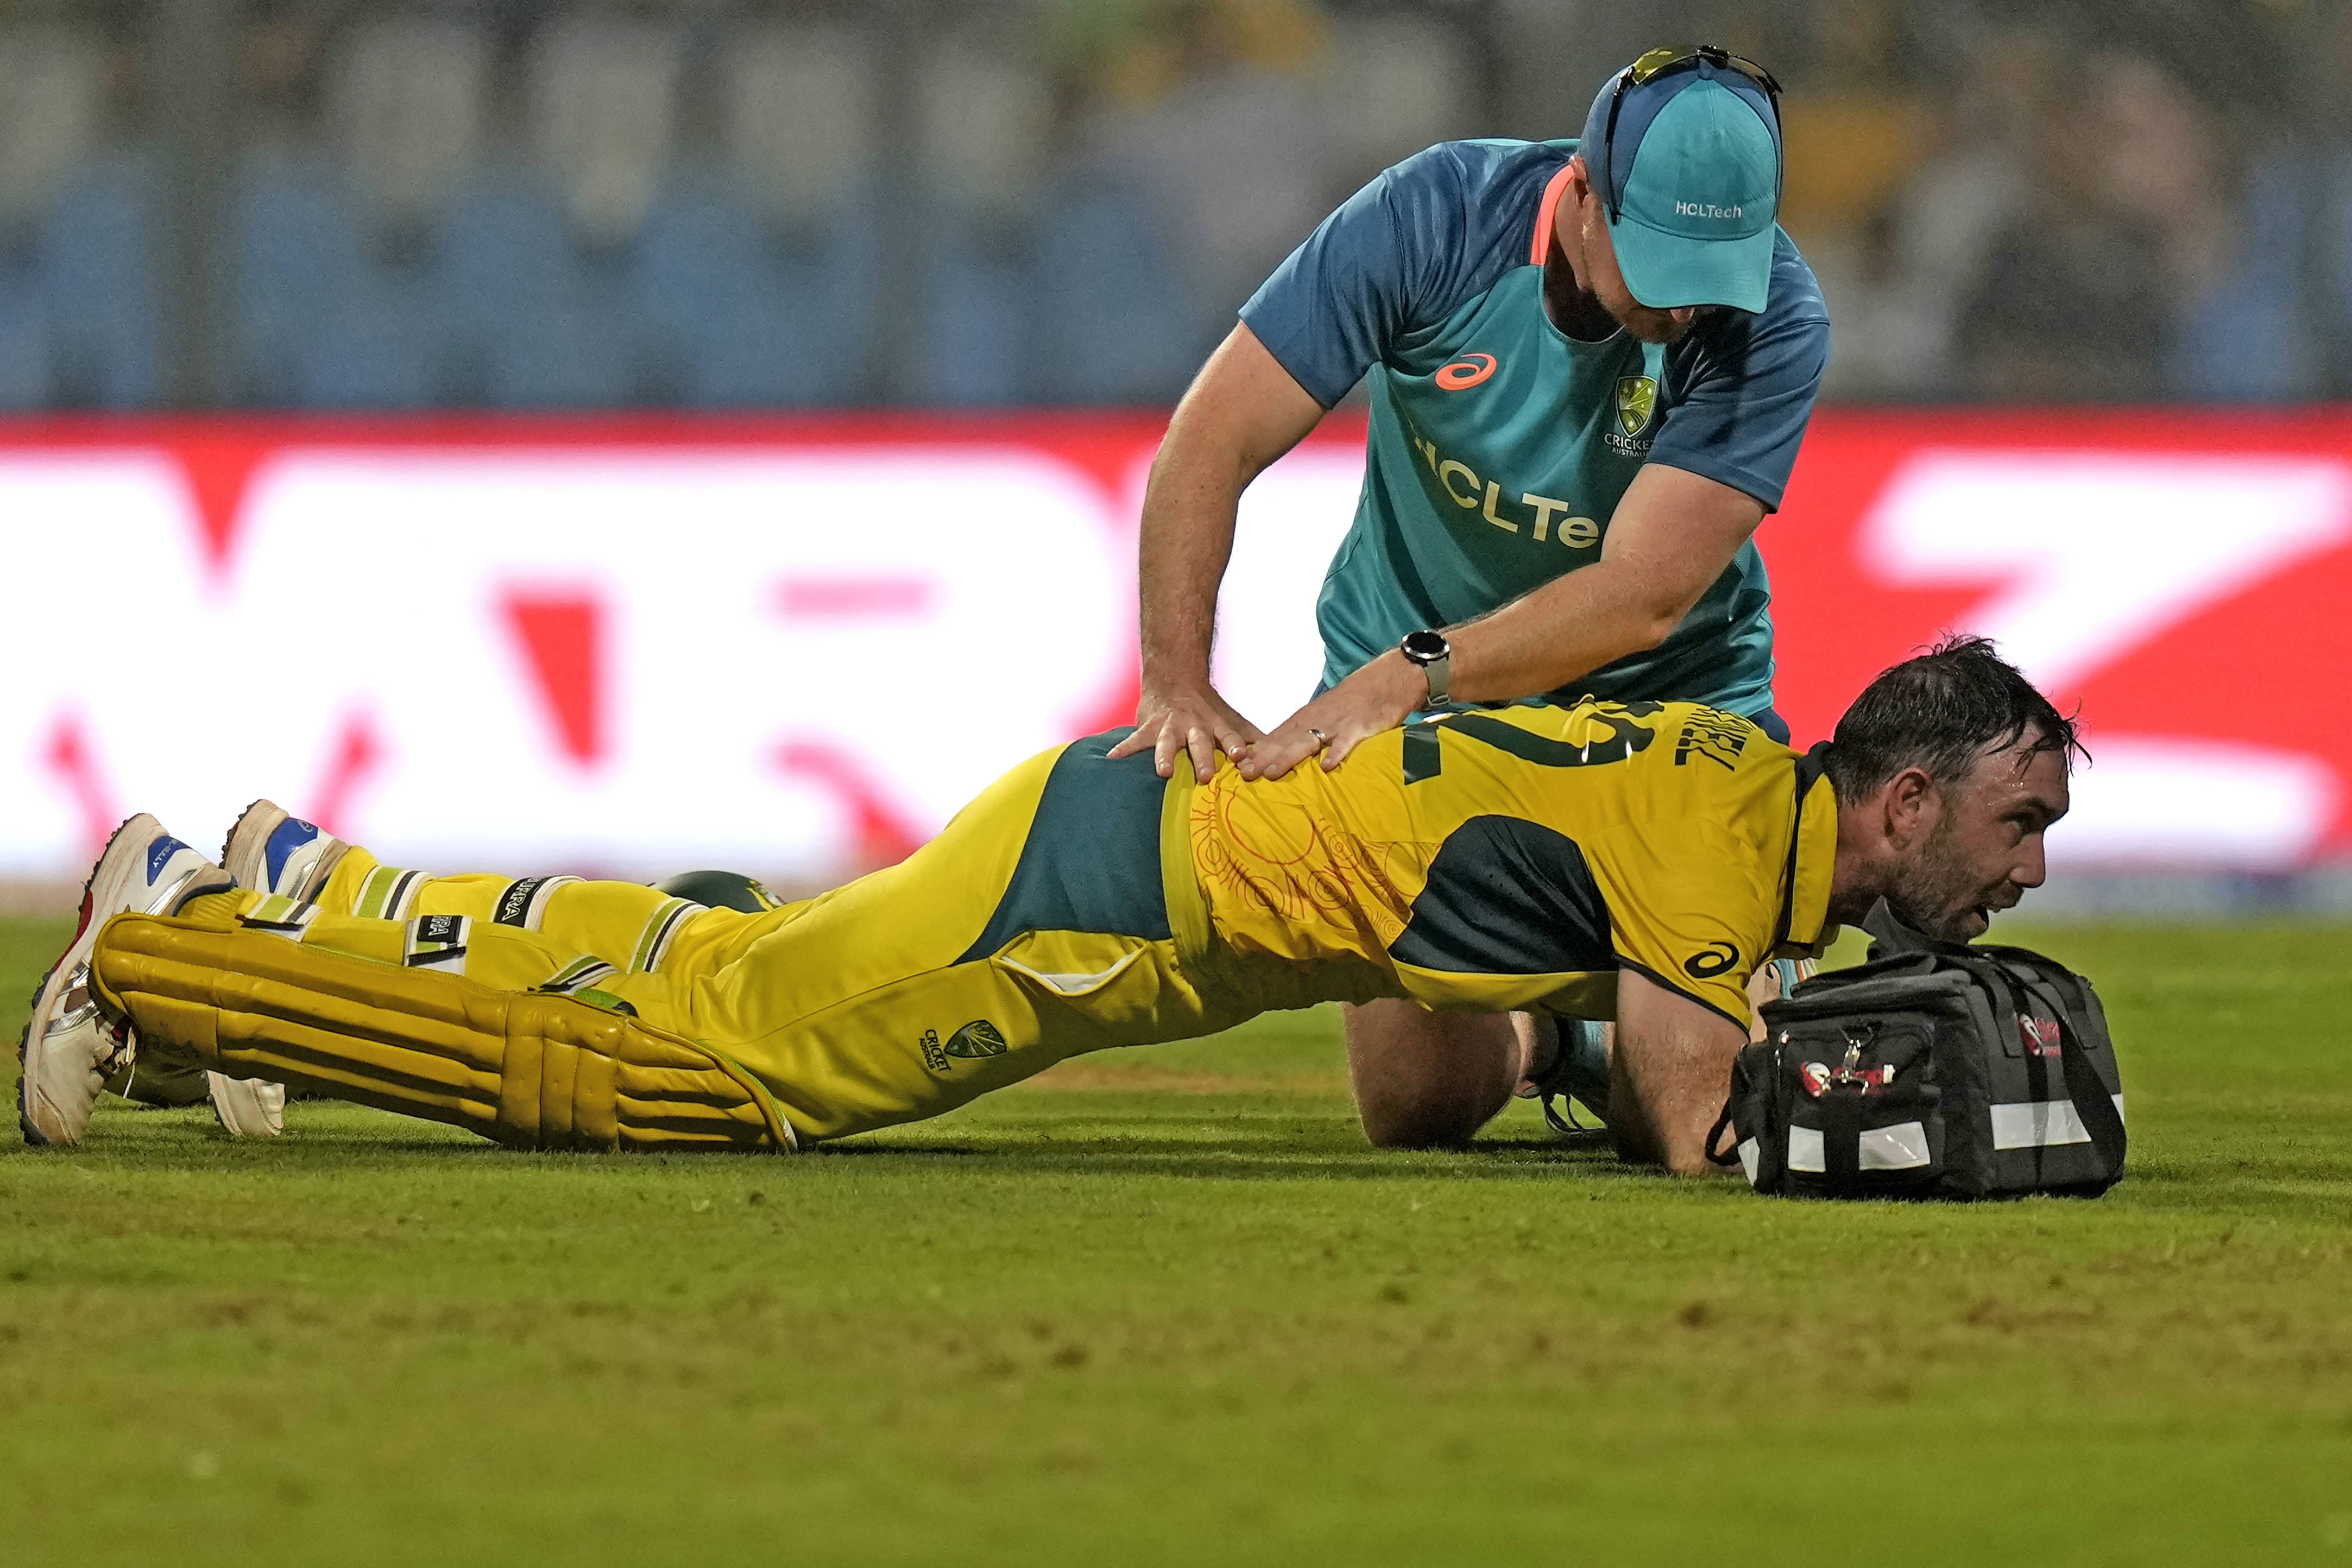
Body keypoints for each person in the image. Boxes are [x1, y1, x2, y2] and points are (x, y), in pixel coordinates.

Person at [22, 639, 2072, 1175]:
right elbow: (1696, 1116)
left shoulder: (1730, 793)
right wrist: (1903, 1136)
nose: (2030, 868)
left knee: (705, 961)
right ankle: (175, 958)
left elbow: (1603, 1035)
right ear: (1902, 795)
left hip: (1121, 832)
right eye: (2016, 819)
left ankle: (302, 892)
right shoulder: (1724, 851)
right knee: (704, 1077)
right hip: (1110, 895)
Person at [1107, 45, 1832, 1120]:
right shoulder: (1435, 219)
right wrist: (1174, 677)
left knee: (1682, 1110)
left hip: (1667, 704)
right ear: (1584, 190)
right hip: (1413, 692)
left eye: (1710, 277)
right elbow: (1208, 440)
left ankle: (1716, 1006)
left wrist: (1420, 670)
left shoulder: (1776, 316)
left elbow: (1645, 597)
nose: (1689, 311)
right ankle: (1557, 1039)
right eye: (1664, 268)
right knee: (1416, 1107)